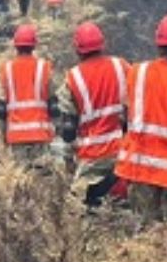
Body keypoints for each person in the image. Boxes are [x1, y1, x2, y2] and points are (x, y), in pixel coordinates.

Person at [115, 15, 167, 222]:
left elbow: (122, 116)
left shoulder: (136, 72)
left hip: (138, 166)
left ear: (158, 41)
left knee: (142, 232)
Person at [55, 21, 130, 208]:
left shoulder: (73, 78)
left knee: (77, 208)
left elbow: (69, 127)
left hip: (93, 155)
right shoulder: (121, 66)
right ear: (102, 44)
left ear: (77, 49)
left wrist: (67, 159)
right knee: (125, 205)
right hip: (124, 150)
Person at [0, 23, 55, 160]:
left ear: (15, 45)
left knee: (20, 178)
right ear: (34, 45)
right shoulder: (44, 67)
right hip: (41, 134)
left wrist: (4, 136)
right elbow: (53, 104)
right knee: (41, 178)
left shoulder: (6, 69)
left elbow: (1, 109)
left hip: (16, 137)